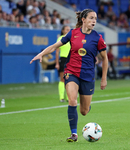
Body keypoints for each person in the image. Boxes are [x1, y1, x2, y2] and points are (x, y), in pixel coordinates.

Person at [30, 9, 108, 142]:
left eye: (95, 18)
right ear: (83, 20)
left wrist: (104, 79)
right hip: (71, 71)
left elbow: (105, 59)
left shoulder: (98, 38)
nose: (94, 21)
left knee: (84, 111)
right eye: (91, 18)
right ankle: (74, 134)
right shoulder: (73, 33)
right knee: (72, 100)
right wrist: (41, 54)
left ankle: (87, 105)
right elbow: (55, 46)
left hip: (88, 75)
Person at [55, 25, 71, 102]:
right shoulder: (60, 38)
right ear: (63, 30)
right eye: (66, 29)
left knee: (70, 79)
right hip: (63, 59)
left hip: (71, 60)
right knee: (62, 79)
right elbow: (57, 52)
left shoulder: (72, 38)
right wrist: (57, 63)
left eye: (69, 29)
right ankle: (61, 97)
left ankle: (68, 97)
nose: (68, 30)